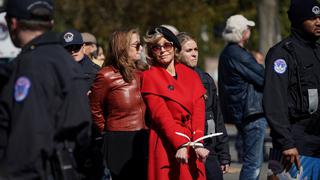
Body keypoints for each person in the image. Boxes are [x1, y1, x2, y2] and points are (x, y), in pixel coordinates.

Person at [0, 0, 91, 179]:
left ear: (13, 23)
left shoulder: (30, 67)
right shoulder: (67, 63)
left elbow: (28, 142)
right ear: (51, 23)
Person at [142, 26, 209, 180]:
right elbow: (161, 116)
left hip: (192, 143)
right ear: (151, 51)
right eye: (156, 47)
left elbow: (199, 111)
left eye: (166, 45)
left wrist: (198, 142)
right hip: (166, 143)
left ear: (174, 47)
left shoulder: (191, 75)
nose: (162, 50)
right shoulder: (150, 77)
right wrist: (180, 144)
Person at [264, 0, 320, 178]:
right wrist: (286, 143)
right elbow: (274, 101)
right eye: (311, 18)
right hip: (295, 145)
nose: (318, 22)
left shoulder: (317, 51)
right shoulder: (282, 54)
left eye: (319, 17)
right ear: (298, 20)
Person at [89, 28, 148, 180]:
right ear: (123, 47)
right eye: (136, 45)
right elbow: (95, 109)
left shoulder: (142, 72)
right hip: (119, 141)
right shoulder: (106, 75)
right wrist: (107, 133)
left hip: (143, 137)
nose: (140, 48)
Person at [218, 14, 267, 180]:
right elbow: (262, 76)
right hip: (251, 113)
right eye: (248, 28)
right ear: (242, 32)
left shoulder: (228, 53)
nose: (250, 31)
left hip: (243, 112)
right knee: (253, 164)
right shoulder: (237, 54)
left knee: (252, 161)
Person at [176, 32, 231, 180]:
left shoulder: (205, 80)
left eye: (196, 50)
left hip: (208, 146)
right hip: (183, 148)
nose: (194, 54)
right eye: (189, 51)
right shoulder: (173, 80)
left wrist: (224, 154)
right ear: (177, 53)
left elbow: (217, 116)